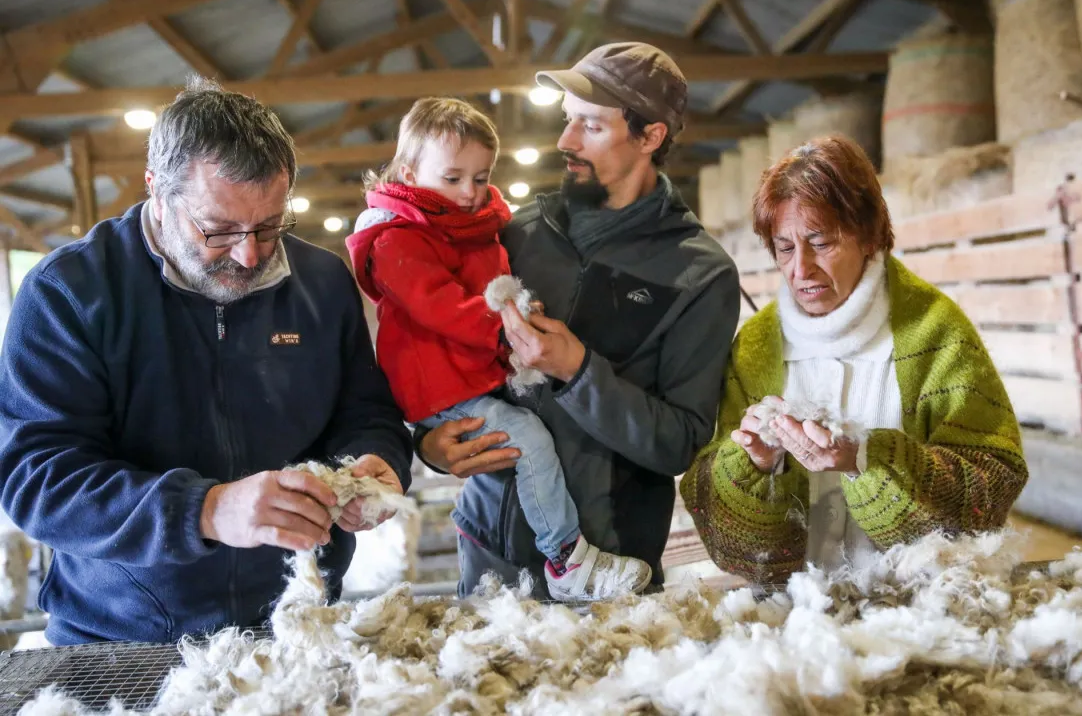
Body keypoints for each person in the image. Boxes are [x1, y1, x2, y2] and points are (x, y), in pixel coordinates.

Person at [0, 79, 414, 644]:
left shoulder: (320, 282)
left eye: (270, 226)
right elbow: (38, 478)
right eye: (218, 231)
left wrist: (375, 460)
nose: (250, 254)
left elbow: (366, 411)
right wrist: (207, 510)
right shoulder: (70, 292)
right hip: (125, 634)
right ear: (156, 191)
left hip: (298, 617)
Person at [416, 42, 743, 598]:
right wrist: (428, 444)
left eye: (590, 126)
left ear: (651, 136)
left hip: (608, 567)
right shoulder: (515, 233)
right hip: (490, 552)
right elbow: (441, 350)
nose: (565, 141)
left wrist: (580, 370)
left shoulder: (698, 273)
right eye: (568, 121)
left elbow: (680, 442)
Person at [680, 135, 1029, 583]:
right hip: (796, 615)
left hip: (918, 604)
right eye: (784, 248)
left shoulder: (934, 333)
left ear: (867, 236)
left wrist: (864, 458)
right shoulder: (755, 347)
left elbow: (991, 485)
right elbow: (717, 519)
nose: (800, 270)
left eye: (821, 242)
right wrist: (755, 465)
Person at [346, 97, 652, 603]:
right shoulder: (396, 239)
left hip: (471, 372)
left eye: (481, 177)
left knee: (532, 430)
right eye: (452, 178)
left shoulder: (474, 224)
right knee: (528, 436)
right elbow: (439, 304)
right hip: (441, 385)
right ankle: (566, 558)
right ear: (408, 171)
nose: (469, 192)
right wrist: (504, 329)